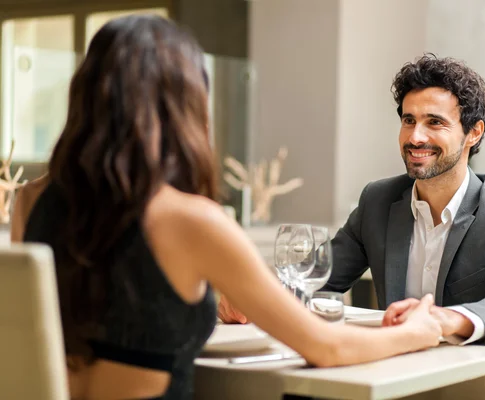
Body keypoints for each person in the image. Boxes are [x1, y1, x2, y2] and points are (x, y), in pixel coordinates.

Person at [11, 16, 443, 400]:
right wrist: (416, 333)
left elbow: (103, 305)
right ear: (183, 103)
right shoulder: (191, 219)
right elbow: (326, 347)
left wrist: (203, 300)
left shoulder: (30, 200)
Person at [220, 54, 485, 400]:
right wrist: (255, 295)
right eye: (409, 120)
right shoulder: (378, 201)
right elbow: (317, 273)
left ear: (473, 132)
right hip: (397, 385)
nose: (416, 136)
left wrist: (440, 320)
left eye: (434, 122)